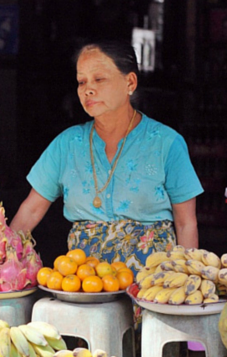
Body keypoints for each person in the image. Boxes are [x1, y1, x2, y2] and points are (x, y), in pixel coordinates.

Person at [10, 40, 202, 271]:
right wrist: (2, 259)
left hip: (154, 284)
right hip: (84, 283)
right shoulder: (67, 144)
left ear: (129, 82)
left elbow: (185, 223)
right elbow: (30, 211)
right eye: (82, 81)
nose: (88, 89)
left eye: (99, 79)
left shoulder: (166, 143)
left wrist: (188, 280)